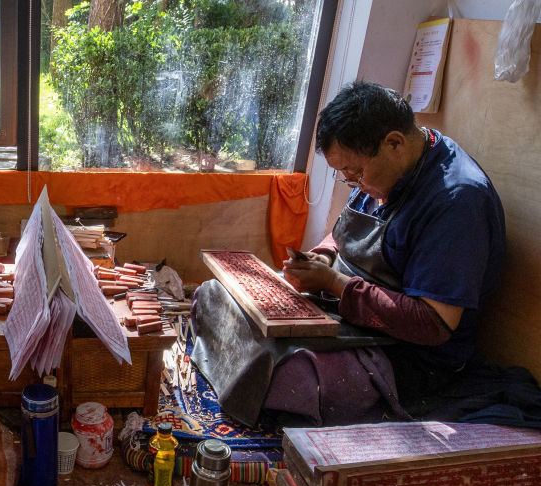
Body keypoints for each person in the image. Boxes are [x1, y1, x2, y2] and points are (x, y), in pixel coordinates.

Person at [190, 81, 507, 426]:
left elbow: (433, 325)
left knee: (292, 374)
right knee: (213, 295)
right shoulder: (386, 166)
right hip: (343, 307)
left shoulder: (456, 202)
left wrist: (335, 284)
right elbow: (345, 232)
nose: (353, 182)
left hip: (405, 352)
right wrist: (324, 256)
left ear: (394, 143)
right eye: (344, 175)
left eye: (355, 173)